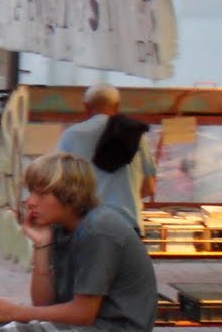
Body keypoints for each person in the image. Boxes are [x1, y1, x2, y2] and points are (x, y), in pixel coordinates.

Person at [0, 152, 158, 332]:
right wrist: (42, 245)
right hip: (86, 327)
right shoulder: (62, 226)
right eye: (31, 192)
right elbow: (44, 302)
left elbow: (83, 313)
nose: (31, 202)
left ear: (70, 195)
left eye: (42, 194)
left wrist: (17, 312)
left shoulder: (98, 230)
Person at [57, 84, 158, 231]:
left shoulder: (71, 136)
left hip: (86, 226)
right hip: (128, 226)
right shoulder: (135, 134)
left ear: (86, 107)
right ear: (117, 107)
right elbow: (149, 188)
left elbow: (57, 183)